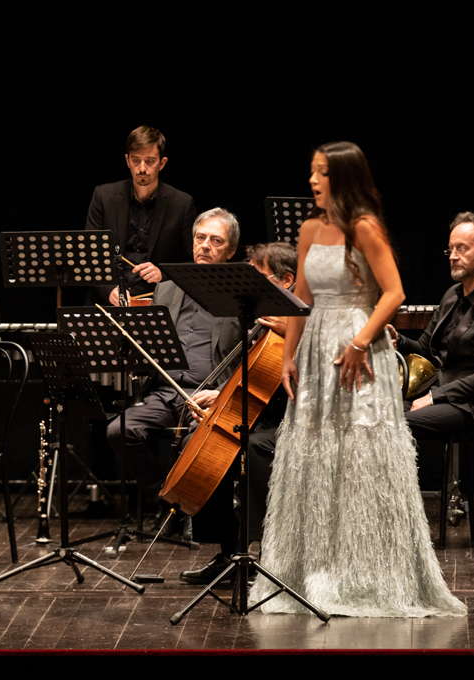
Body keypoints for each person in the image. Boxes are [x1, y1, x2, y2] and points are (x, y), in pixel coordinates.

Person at [248, 142, 465, 617]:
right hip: (318, 342)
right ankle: (312, 570)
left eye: (321, 173)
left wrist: (361, 341)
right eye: (311, 171)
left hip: (358, 348)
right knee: (317, 450)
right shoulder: (308, 230)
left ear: (342, 178)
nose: (312, 180)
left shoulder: (364, 227)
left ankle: (365, 571)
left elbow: (394, 293)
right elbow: (301, 298)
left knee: (359, 451)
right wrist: (289, 353)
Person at [105, 208, 243, 501]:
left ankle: (191, 503)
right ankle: (165, 497)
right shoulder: (166, 288)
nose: (205, 245)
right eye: (200, 238)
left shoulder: (241, 294)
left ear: (230, 251)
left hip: (212, 395)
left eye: (216, 241)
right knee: (120, 430)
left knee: (199, 441)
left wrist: (223, 393)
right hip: (166, 391)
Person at [180, 241, 296, 586]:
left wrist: (293, 335)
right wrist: (220, 396)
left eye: (257, 277)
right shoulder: (262, 318)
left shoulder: (304, 320)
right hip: (261, 415)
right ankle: (228, 552)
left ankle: (258, 550)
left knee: (248, 449)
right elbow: (254, 379)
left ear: (286, 279)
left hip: (296, 420)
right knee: (198, 444)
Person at [390, 213, 474, 441]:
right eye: (450, 249)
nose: (453, 256)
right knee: (377, 415)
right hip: (440, 393)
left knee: (397, 426)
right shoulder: (452, 295)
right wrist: (400, 340)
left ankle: (427, 478)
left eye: (462, 249)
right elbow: (425, 348)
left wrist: (437, 396)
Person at [85, 125, 197, 306]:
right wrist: (109, 290)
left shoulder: (182, 204)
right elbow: (90, 255)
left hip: (157, 302)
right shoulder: (103, 197)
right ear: (127, 160)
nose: (142, 168)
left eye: (150, 161)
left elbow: (192, 262)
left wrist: (163, 274)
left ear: (162, 163)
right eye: (136, 161)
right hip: (107, 302)